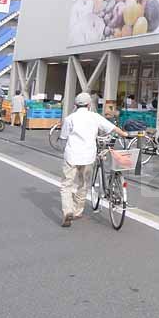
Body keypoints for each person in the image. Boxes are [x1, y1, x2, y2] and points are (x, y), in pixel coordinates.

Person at [58, 92, 129, 227]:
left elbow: (63, 137)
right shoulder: (94, 116)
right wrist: (124, 134)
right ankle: (78, 211)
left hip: (72, 155)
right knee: (84, 183)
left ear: (75, 105)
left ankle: (68, 211)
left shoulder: (70, 118)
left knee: (66, 185)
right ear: (89, 104)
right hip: (88, 156)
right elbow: (112, 128)